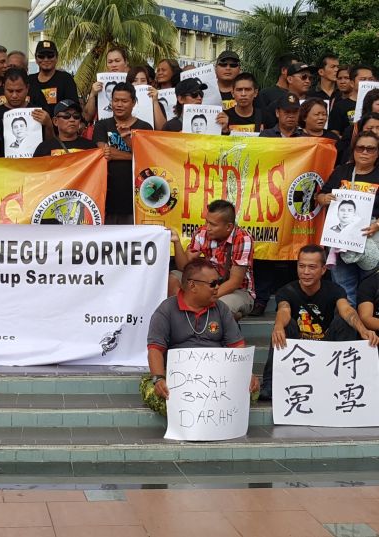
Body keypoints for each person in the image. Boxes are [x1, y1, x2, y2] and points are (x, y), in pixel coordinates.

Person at [259, 244, 378, 400]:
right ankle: (269, 383)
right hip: (299, 350)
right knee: (283, 327)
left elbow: (347, 310)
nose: (306, 272)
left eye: (312, 267)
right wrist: (279, 326)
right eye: (301, 266)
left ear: (323, 270)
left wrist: (363, 330)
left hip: (327, 349)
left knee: (345, 321)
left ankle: (344, 380)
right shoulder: (286, 291)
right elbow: (284, 310)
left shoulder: (335, 290)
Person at [145, 258, 257, 407]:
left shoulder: (221, 308)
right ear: (192, 285)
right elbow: (155, 350)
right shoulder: (166, 309)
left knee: (250, 392)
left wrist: (246, 373)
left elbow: (237, 346)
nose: (218, 287)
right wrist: (159, 379)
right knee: (153, 394)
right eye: (213, 284)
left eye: (218, 282)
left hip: (216, 380)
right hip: (179, 380)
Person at [316, 131, 379, 304]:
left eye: (370, 149)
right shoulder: (342, 171)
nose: (365, 152)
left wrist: (378, 225)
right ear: (353, 150)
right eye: (360, 148)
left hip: (371, 237)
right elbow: (320, 196)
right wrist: (325, 198)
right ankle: (348, 329)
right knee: (344, 289)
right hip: (341, 237)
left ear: (377, 152)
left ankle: (367, 327)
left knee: (369, 289)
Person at [169, 199, 256, 318]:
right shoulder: (202, 233)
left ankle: (229, 321)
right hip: (207, 284)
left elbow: (234, 282)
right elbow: (184, 268)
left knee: (221, 307)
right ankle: (183, 321)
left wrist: (205, 298)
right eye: (207, 222)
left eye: (213, 224)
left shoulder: (242, 239)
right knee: (174, 277)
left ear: (229, 227)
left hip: (238, 291)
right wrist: (177, 243)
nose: (207, 227)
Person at [92, 82, 152, 224]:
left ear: (134, 103)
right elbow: (105, 153)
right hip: (108, 199)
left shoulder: (145, 127)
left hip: (137, 199)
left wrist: (126, 138)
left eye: (124, 101)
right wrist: (134, 156)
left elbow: (147, 159)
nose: (119, 104)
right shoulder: (101, 125)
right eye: (116, 100)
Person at [29, 40, 78, 118]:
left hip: (59, 128)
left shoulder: (66, 79)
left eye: (50, 55)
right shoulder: (29, 80)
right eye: (41, 56)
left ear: (57, 57)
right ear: (36, 58)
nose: (46, 59)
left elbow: (73, 108)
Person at [329, 65, 376, 136]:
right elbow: (334, 134)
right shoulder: (339, 107)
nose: (367, 82)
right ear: (352, 83)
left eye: (370, 79)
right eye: (363, 79)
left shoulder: (376, 105)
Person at [263, 62, 313, 128]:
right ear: (290, 79)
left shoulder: (315, 104)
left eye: (310, 78)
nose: (308, 81)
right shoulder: (276, 105)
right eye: (304, 77)